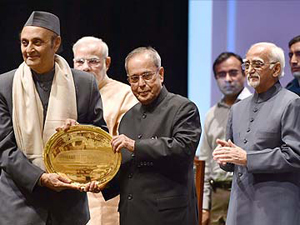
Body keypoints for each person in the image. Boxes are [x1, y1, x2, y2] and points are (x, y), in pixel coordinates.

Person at [0, 11, 107, 225]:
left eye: (37, 42)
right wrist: (41, 178)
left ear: (55, 43)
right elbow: (4, 148)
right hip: (20, 205)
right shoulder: (5, 85)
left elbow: (100, 136)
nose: (29, 49)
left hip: (68, 206)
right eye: (24, 42)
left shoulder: (84, 84)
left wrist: (80, 133)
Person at [101, 47, 201, 225]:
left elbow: (183, 149)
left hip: (169, 217)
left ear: (160, 74)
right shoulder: (128, 117)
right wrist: (104, 183)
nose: (140, 84)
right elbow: (128, 170)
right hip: (131, 215)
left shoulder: (183, 108)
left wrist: (136, 145)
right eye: (134, 78)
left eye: (147, 76)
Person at [213, 42, 300, 225]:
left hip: (275, 208)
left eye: (257, 64)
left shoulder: (292, 103)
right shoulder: (237, 108)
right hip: (239, 205)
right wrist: (226, 159)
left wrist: (247, 158)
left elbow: (294, 154)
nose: (250, 70)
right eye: (247, 64)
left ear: (276, 69)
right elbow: (234, 161)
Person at [73, 36, 137, 225]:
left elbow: (126, 148)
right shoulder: (64, 93)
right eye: (80, 61)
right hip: (67, 192)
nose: (86, 67)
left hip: (103, 194)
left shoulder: (125, 95)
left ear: (107, 63)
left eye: (93, 61)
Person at [199, 52, 251, 225]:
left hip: (249, 191)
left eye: (233, 73)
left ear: (244, 73)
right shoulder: (211, 114)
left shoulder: (257, 105)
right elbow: (205, 163)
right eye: (222, 74)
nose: (228, 79)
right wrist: (205, 206)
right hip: (218, 194)